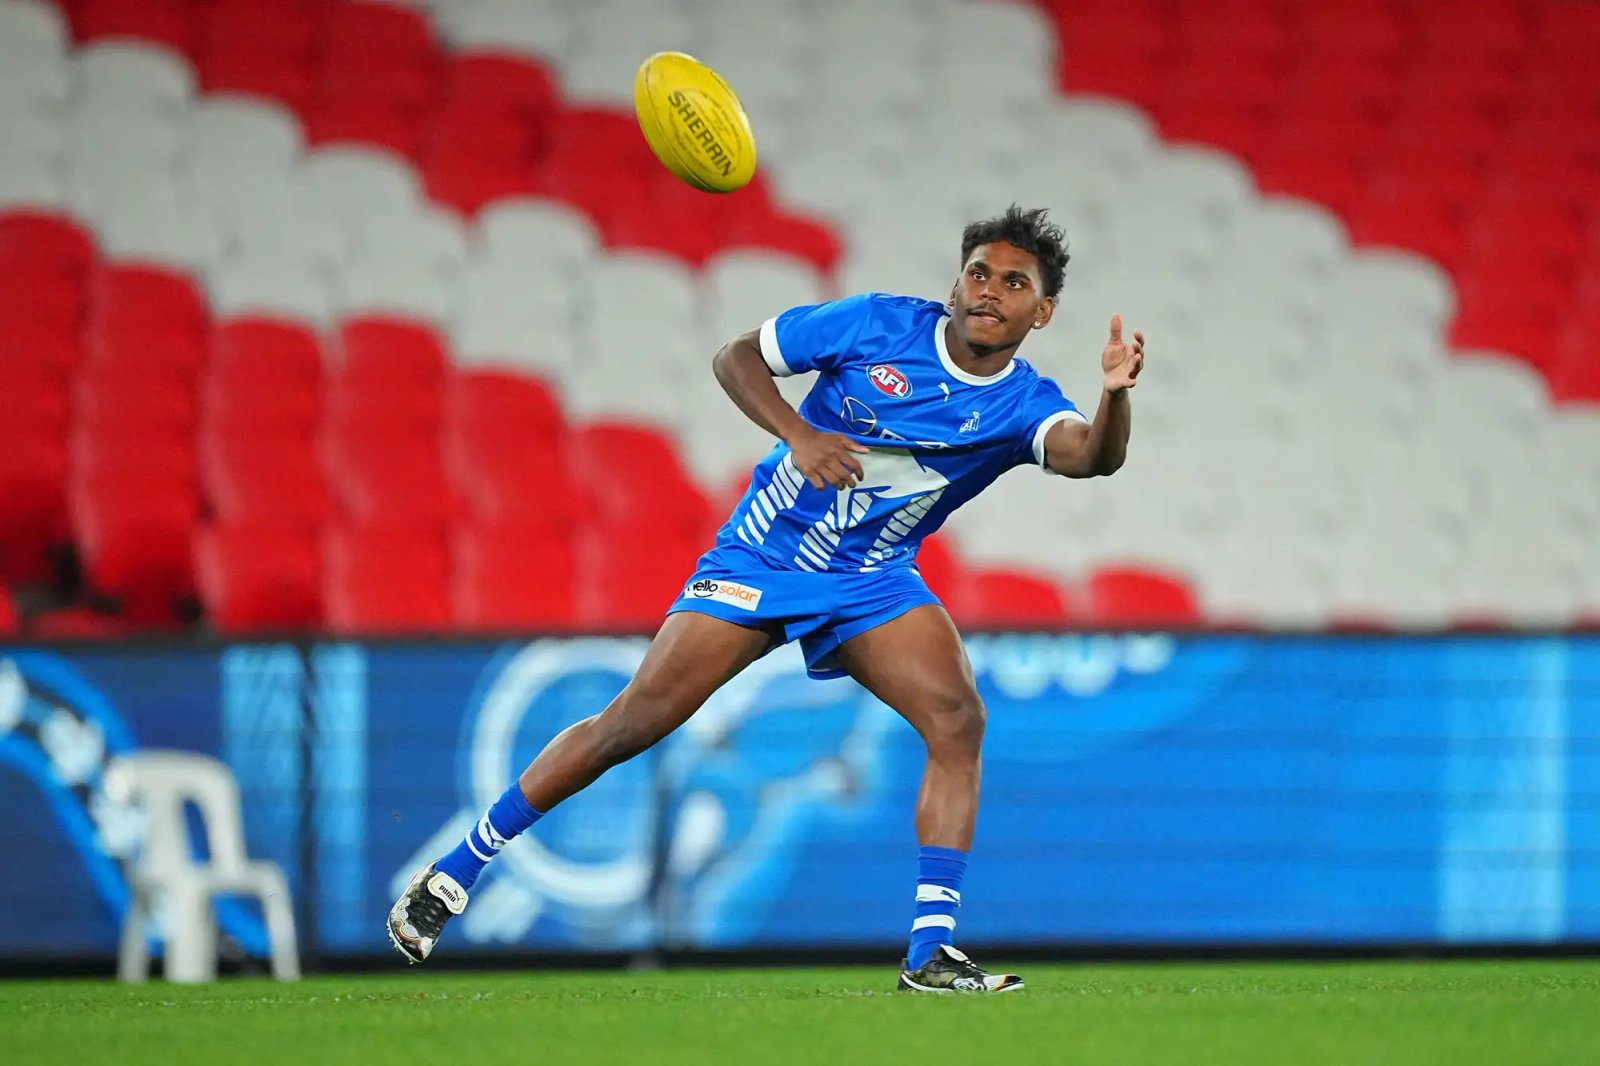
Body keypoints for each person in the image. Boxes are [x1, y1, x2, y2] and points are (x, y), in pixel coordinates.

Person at [389, 205, 1146, 993]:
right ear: (955, 281)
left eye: (1013, 282)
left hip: (870, 580)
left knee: (958, 718)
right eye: (978, 272)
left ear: (1044, 310)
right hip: (765, 555)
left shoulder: (1024, 400)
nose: (989, 290)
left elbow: (1092, 457)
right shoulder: (878, 325)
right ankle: (454, 869)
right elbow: (736, 356)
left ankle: (929, 953)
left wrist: (1115, 394)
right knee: (632, 722)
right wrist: (799, 433)